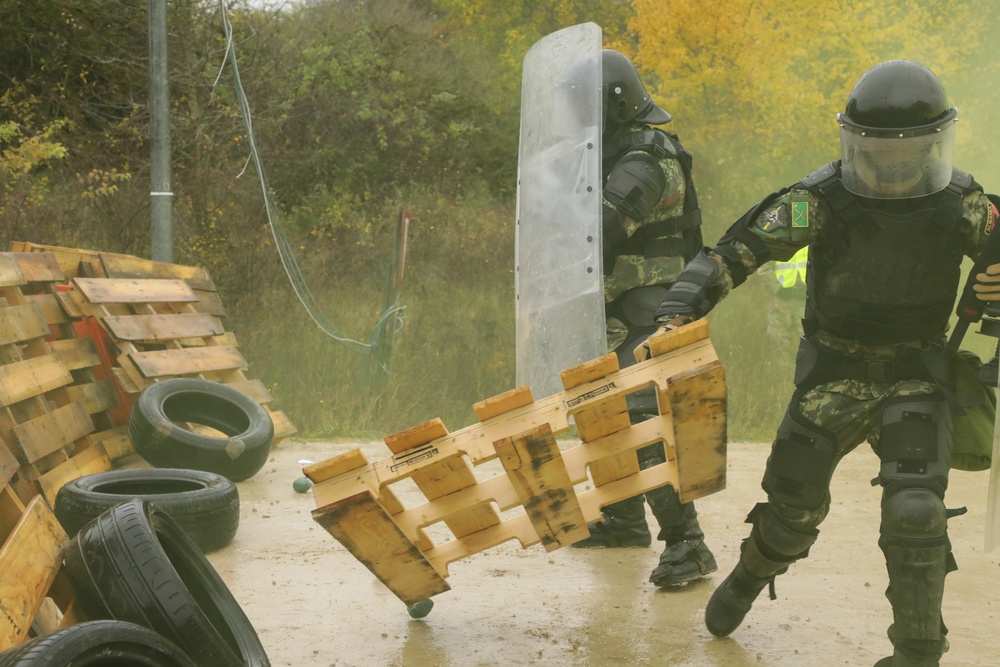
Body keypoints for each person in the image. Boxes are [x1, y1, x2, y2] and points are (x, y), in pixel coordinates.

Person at [635, 59, 1000, 666]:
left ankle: (918, 652)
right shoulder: (818, 201)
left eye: (904, 151)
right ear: (858, 143)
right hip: (832, 376)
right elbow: (735, 253)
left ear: (932, 145)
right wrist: (678, 312)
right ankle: (750, 578)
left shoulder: (964, 206)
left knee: (917, 512)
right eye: (878, 149)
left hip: (917, 374)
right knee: (790, 514)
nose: (891, 163)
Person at [569, 49, 718, 589]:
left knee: (642, 421)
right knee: (599, 411)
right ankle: (624, 519)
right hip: (619, 303)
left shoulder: (643, 160)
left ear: (610, 105)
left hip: (652, 307)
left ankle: (689, 544)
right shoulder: (609, 148)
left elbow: (599, 229)